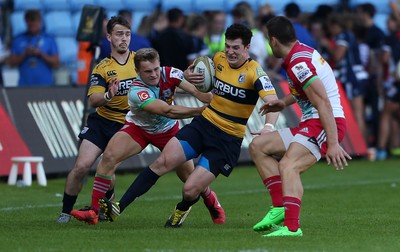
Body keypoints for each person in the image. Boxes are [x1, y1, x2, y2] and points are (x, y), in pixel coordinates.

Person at [99, 23, 280, 228]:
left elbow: (273, 102)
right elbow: (196, 72)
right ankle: (118, 208)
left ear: (247, 47)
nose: (229, 51)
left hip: (227, 139)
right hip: (203, 125)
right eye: (227, 46)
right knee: (162, 162)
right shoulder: (218, 59)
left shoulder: (255, 73)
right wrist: (189, 74)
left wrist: (269, 127)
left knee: (190, 189)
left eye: (235, 48)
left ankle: (182, 209)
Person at [70, 47, 226, 225]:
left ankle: (212, 201)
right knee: (108, 158)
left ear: (160, 66)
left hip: (168, 132)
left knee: (189, 177)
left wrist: (213, 96)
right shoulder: (137, 91)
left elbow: (199, 93)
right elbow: (167, 110)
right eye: (147, 71)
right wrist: (199, 111)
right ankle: (93, 211)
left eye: (156, 69)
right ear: (137, 72)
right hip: (139, 129)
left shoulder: (171, 73)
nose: (153, 75)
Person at [250, 16, 351, 237]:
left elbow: (322, 101)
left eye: (268, 39)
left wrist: (333, 143)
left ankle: (292, 227)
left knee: (289, 166)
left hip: (324, 123)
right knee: (258, 146)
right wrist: (282, 102)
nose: (269, 44)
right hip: (314, 121)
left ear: (274, 41)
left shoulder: (298, 63)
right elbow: (305, 90)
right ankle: (279, 208)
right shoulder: (299, 53)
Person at [56, 16, 137, 223]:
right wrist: (109, 95)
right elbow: (93, 100)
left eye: (127, 34)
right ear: (109, 37)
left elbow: (158, 81)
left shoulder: (140, 62)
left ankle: (104, 206)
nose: (124, 39)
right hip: (101, 122)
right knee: (81, 166)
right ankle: (65, 213)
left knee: (106, 168)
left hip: (126, 125)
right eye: (119, 34)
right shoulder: (102, 67)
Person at [8, 9, 59, 86]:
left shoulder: (49, 39)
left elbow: (56, 63)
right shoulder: (18, 39)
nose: (32, 25)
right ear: (26, 22)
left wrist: (41, 54)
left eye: (35, 22)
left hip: (46, 86)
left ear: (40, 22)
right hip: (25, 86)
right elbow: (11, 63)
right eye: (30, 22)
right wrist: (25, 54)